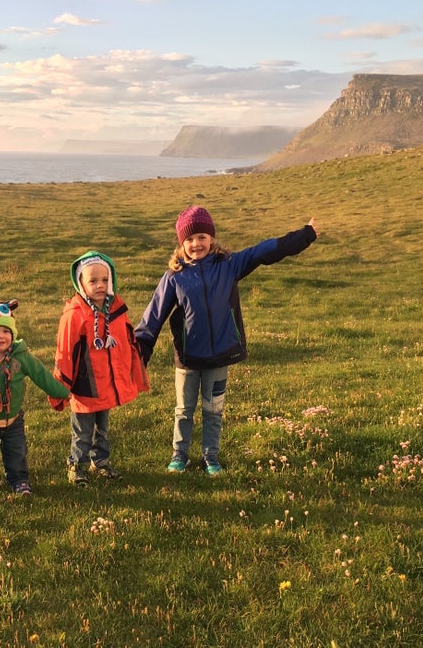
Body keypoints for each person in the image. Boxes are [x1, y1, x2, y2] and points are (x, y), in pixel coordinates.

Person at [135, 205, 318, 475]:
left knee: (213, 410)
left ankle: (211, 457)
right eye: (189, 239)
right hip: (187, 359)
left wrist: (306, 234)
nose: (196, 244)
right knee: (184, 410)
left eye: (201, 237)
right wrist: (140, 352)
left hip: (221, 355)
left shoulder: (229, 265)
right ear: (181, 243)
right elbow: (154, 315)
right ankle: (179, 455)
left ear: (211, 238)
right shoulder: (175, 276)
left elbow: (265, 251)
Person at [49, 251, 148, 487]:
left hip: (107, 386)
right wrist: (59, 388)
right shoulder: (74, 316)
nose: (100, 285)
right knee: (82, 432)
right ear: (80, 283)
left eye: (104, 280)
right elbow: (64, 355)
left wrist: (130, 376)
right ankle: (77, 465)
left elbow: (126, 347)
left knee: (102, 430)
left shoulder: (115, 310)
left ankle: (100, 462)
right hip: (85, 388)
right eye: (93, 281)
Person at [0, 299, 70, 495]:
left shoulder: (21, 357)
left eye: (5, 331)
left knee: (17, 453)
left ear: (13, 334)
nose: (0, 336)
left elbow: (41, 376)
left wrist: (63, 393)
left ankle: (19, 480)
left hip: (13, 419)